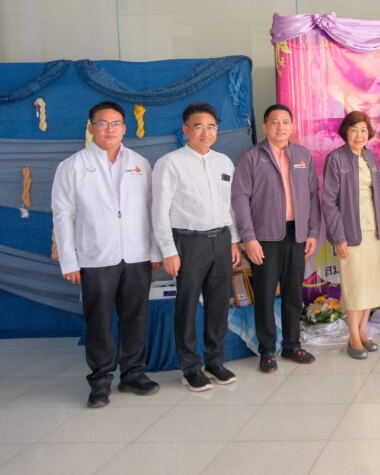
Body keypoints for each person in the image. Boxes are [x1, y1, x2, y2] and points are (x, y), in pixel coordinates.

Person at [51, 101, 161, 408]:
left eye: (115, 124)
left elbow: (151, 209)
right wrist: (69, 261)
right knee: (98, 321)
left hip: (137, 255)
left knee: (135, 317)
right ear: (91, 128)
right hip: (95, 257)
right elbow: (62, 215)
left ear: (125, 128)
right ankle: (100, 382)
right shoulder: (72, 166)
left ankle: (133, 374)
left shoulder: (139, 163)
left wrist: (154, 250)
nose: (109, 129)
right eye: (102, 123)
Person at [151, 102, 241, 391]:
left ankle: (215, 362)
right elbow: (159, 210)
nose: (206, 132)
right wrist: (168, 250)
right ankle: (190, 368)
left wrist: (234, 240)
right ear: (186, 130)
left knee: (218, 303)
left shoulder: (224, 162)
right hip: (188, 242)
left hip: (221, 240)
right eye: (199, 127)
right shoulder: (170, 163)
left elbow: (230, 206)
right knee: (187, 305)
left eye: (211, 127)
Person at [231, 104, 320, 373]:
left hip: (297, 235)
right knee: (265, 294)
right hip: (264, 237)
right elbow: (240, 198)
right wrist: (249, 238)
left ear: (292, 126)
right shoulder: (251, 157)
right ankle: (267, 350)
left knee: (293, 293)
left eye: (285, 122)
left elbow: (313, 196)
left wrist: (312, 232)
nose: (281, 127)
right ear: (265, 126)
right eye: (275, 122)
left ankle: (293, 345)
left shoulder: (302, 155)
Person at [322, 111, 380, 360]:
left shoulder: (370, 157)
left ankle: (363, 332)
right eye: (354, 130)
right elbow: (329, 202)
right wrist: (338, 237)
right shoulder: (336, 159)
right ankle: (352, 337)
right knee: (355, 286)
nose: (359, 135)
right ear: (345, 132)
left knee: (369, 284)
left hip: (373, 230)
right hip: (350, 233)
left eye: (363, 130)